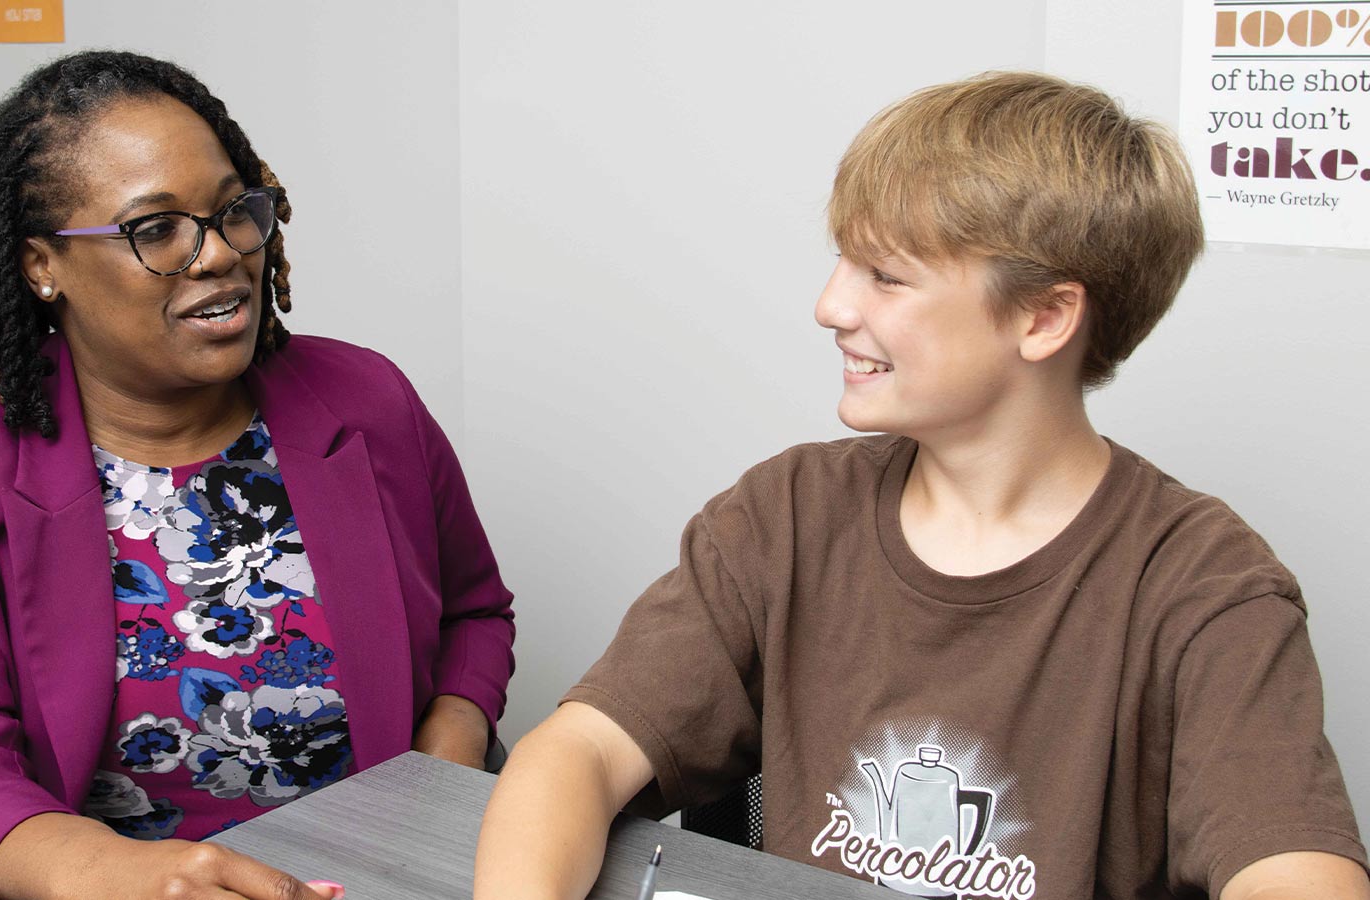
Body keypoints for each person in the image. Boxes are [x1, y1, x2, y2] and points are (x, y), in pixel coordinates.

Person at [473, 72, 1369, 899]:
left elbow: (1295, 873)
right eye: (843, 262)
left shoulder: (1204, 585)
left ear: (1046, 317)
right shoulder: (783, 518)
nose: (831, 306)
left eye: (887, 276)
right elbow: (578, 753)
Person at [0, 50, 514, 900]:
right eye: (156, 230)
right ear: (42, 265)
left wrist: (439, 777)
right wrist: (125, 879)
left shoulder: (366, 401)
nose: (219, 254)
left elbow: (474, 613)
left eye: (233, 212)